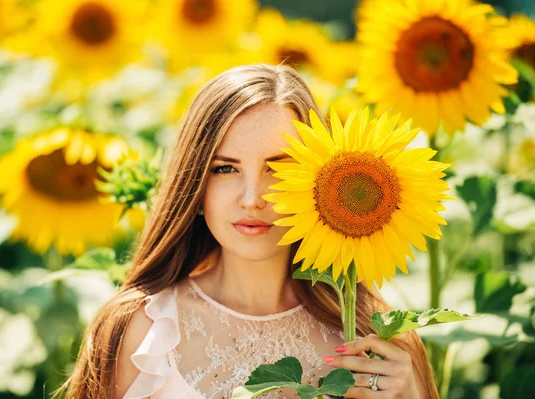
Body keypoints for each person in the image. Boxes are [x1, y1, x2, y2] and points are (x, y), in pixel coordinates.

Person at [56, 64, 439, 399]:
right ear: (194, 183)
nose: (253, 198)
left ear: (323, 179)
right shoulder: (142, 333)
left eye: (279, 168)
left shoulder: (378, 343)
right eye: (225, 168)